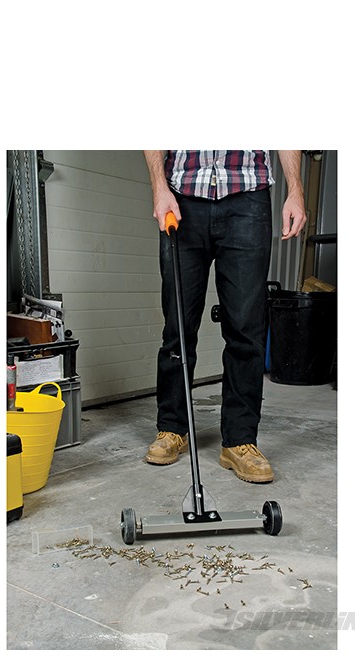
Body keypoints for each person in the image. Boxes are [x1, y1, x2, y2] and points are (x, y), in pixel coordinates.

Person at [143, 150, 307, 483]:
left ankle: (239, 440)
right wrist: (159, 187)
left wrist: (296, 190)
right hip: (183, 194)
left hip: (247, 197)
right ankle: (172, 428)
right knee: (178, 326)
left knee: (246, 328)